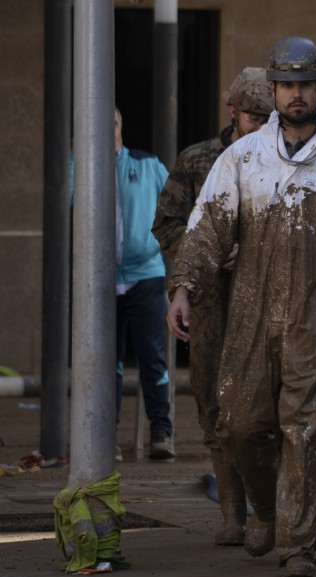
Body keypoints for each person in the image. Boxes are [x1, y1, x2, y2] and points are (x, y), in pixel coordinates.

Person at [167, 37, 316, 577]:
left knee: (309, 429)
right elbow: (206, 227)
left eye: (306, 84)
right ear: (273, 90)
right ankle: (266, 507)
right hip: (249, 313)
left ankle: (298, 541)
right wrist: (183, 287)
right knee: (239, 424)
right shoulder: (242, 159)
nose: (296, 95)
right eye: (287, 85)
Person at [152, 67, 273, 545]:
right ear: (233, 113)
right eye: (252, 117)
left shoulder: (281, 159)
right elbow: (165, 223)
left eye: (268, 117)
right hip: (209, 305)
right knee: (213, 407)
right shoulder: (199, 160)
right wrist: (204, 254)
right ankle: (232, 514)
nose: (260, 126)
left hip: (264, 301)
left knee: (263, 409)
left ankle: (269, 510)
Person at [113, 106, 174, 461]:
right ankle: (106, 434)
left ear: (121, 128)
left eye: (113, 124)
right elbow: (67, 199)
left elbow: (174, 208)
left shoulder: (146, 164)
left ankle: (161, 431)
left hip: (146, 275)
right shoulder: (82, 165)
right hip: (101, 282)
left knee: (153, 359)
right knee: (109, 363)